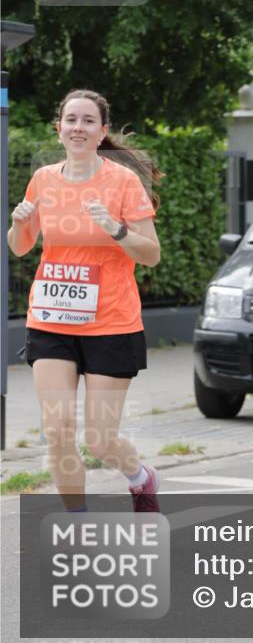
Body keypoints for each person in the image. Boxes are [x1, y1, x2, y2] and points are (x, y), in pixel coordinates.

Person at [8, 89, 162, 513]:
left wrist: (116, 229)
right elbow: (22, 247)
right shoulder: (43, 179)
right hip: (52, 318)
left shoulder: (123, 181)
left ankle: (140, 477)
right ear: (58, 129)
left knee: (100, 438)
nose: (78, 127)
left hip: (110, 323)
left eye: (88, 121)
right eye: (70, 120)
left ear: (102, 131)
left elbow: (151, 254)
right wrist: (19, 224)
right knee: (58, 429)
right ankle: (77, 522)